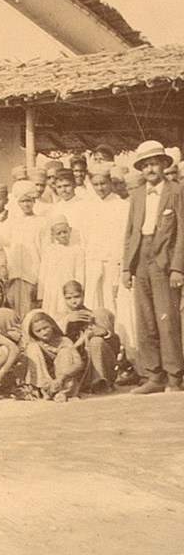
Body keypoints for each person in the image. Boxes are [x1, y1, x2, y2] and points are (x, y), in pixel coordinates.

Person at [122, 140, 184, 393]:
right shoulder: (137, 194)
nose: (150, 169)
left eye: (154, 164)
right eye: (145, 165)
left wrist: (178, 267)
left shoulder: (177, 191)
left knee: (166, 320)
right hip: (141, 260)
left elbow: (182, 232)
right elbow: (129, 232)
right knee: (146, 319)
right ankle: (154, 376)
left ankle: (174, 377)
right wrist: (127, 267)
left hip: (164, 260)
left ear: (163, 165)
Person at [83, 165, 128, 313]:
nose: (100, 188)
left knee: (113, 304)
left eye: (103, 183)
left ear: (110, 183)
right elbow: (85, 236)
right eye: (96, 184)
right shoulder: (89, 206)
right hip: (93, 262)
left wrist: (119, 263)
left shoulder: (122, 206)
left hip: (113, 263)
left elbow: (123, 237)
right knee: (93, 303)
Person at [21, 309, 84, 402]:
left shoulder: (63, 341)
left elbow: (78, 363)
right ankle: (41, 391)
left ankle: (64, 392)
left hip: (63, 379)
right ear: (32, 333)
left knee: (65, 352)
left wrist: (62, 376)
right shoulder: (35, 344)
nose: (43, 332)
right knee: (31, 347)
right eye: (38, 331)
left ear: (52, 325)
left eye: (46, 328)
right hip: (44, 381)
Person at [4, 180, 42, 318]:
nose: (26, 204)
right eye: (22, 201)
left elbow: (44, 249)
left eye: (29, 201)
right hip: (15, 274)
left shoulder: (41, 222)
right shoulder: (12, 222)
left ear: (34, 201)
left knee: (31, 310)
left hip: (33, 273)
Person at [37, 214, 85, 316]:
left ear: (70, 231)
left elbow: (80, 273)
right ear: (53, 235)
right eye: (59, 233)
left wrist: (78, 292)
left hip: (69, 290)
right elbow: (43, 273)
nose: (63, 235)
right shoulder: (49, 250)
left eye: (65, 232)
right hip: (52, 290)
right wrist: (40, 295)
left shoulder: (77, 250)